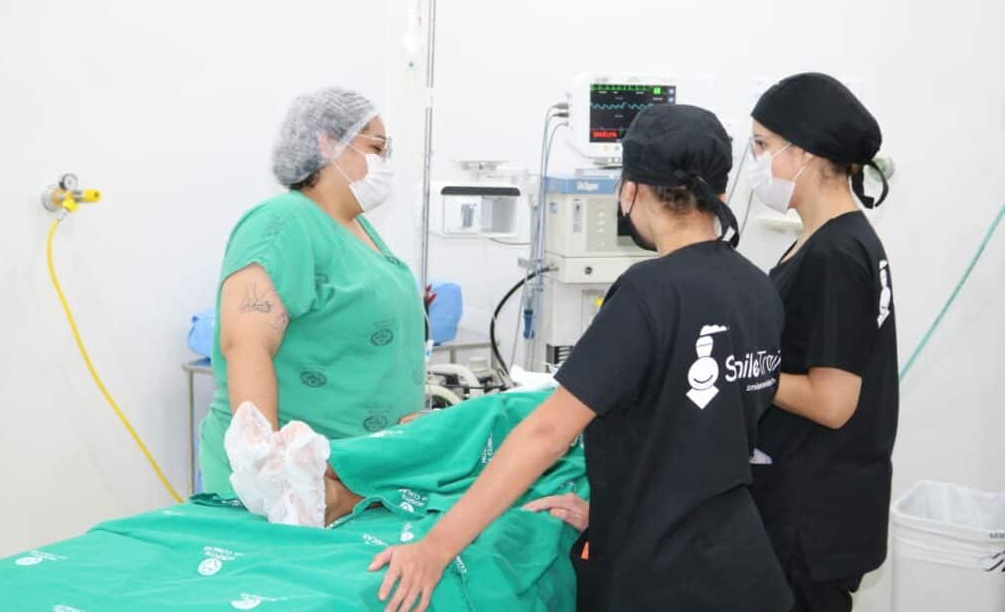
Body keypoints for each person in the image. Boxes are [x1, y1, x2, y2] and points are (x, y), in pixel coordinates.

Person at [367, 104, 794, 612]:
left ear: (630, 189)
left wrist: (434, 549)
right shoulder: (757, 287)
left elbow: (547, 433)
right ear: (720, 192)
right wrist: (612, 514)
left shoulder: (650, 292)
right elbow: (698, 435)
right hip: (742, 567)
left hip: (666, 580)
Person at [198, 86, 428, 494]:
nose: (384, 161)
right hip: (296, 480)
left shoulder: (358, 229)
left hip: (356, 474)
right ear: (327, 143)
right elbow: (247, 347)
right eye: (376, 147)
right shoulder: (283, 222)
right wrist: (269, 469)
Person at [744, 72, 899, 611]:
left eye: (762, 144)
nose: (756, 161)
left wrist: (746, 371)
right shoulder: (827, 240)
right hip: (809, 500)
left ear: (804, 152)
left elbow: (833, 403)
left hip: (812, 516)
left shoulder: (836, 255)